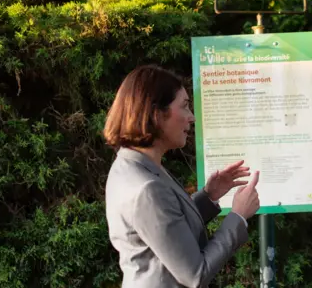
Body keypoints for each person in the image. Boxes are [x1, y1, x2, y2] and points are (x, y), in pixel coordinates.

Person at [103, 65, 260, 288]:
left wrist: (209, 196)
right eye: (184, 107)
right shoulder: (146, 187)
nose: (192, 117)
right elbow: (196, 274)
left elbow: (167, 226)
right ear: (157, 114)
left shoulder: (133, 164)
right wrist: (238, 216)